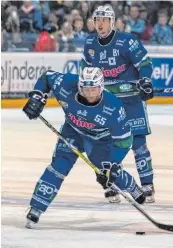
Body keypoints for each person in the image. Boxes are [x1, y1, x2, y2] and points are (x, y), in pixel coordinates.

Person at [22, 67, 146, 228]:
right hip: (72, 132)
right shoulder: (66, 85)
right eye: (85, 89)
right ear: (79, 86)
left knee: (107, 171)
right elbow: (47, 77)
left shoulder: (114, 107)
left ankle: (131, 186)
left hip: (100, 140)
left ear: (101, 87)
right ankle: (36, 207)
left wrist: (113, 165)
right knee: (59, 166)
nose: (89, 94)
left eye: (93, 89)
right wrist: (37, 97)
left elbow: (123, 141)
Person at [81, 5, 155, 204]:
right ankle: (112, 183)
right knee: (106, 144)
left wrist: (145, 81)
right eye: (97, 20)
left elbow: (145, 64)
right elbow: (85, 69)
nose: (100, 24)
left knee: (138, 143)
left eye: (104, 20)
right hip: (107, 103)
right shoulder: (89, 43)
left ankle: (147, 185)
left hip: (131, 101)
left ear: (112, 22)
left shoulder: (127, 41)